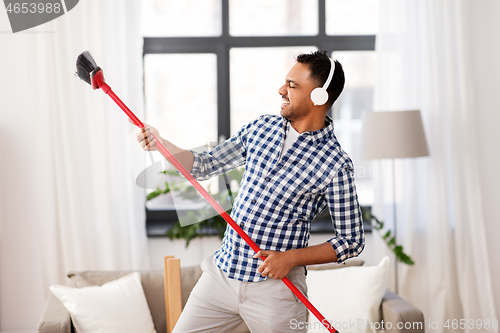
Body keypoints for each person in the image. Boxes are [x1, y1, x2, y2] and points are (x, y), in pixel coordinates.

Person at [135, 50, 365, 332]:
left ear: (319, 97)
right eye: (285, 82)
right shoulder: (261, 128)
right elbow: (206, 164)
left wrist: (291, 258)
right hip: (222, 275)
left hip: (276, 291)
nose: (281, 90)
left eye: (292, 86)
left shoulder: (335, 164)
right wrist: (162, 143)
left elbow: (351, 240)